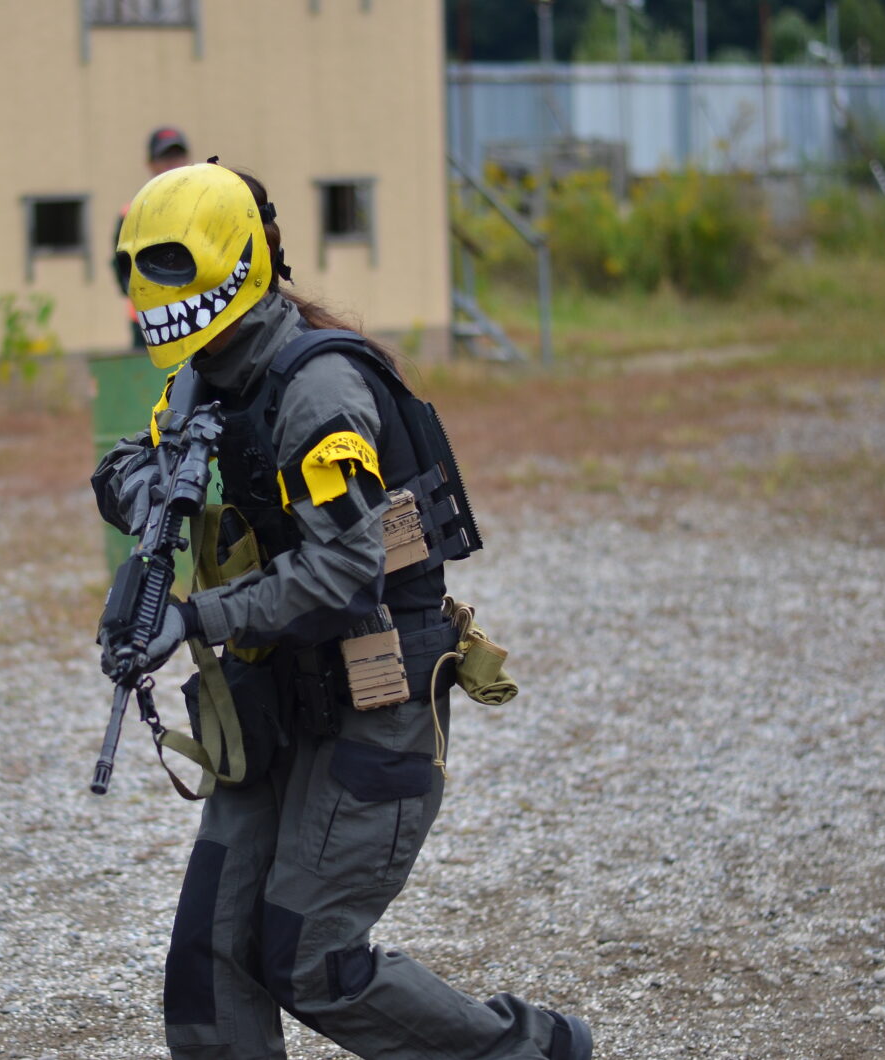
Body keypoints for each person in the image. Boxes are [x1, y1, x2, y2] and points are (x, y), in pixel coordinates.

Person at [93, 161, 593, 1060]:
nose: (150, 289)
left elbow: (347, 572)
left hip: (374, 695)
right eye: (139, 267)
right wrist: (150, 496)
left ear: (235, 264)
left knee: (310, 959)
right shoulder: (210, 374)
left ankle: (535, 1053)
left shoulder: (318, 391)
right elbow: (125, 462)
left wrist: (195, 620)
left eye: (171, 266)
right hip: (276, 692)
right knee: (208, 960)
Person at [117, 126, 193, 348]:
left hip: (196, 312)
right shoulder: (132, 213)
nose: (172, 163)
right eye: (165, 157)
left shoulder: (201, 207)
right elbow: (122, 271)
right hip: (150, 319)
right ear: (150, 164)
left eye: (177, 156)